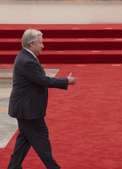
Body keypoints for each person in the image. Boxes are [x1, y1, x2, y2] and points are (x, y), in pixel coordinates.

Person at [7, 29, 76, 169]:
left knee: (24, 139)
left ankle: (13, 167)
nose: (43, 46)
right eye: (40, 43)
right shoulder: (27, 61)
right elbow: (43, 80)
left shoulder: (25, 56)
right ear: (32, 44)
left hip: (26, 108)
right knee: (41, 140)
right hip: (28, 110)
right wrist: (66, 81)